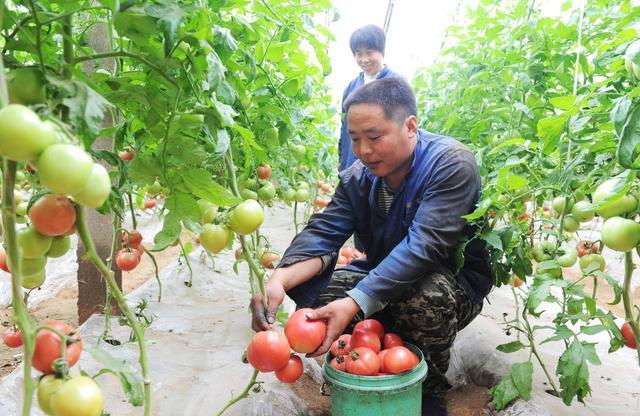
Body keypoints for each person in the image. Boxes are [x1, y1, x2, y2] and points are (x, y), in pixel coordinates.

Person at [251, 77, 493, 416]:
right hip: (383, 276)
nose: (364, 150)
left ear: (410, 126)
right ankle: (376, 349)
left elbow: (424, 248)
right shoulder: (357, 179)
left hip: (452, 286)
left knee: (425, 293)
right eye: (355, 139)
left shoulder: (450, 164)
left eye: (374, 137)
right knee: (313, 292)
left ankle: (428, 388)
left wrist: (353, 303)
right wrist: (279, 280)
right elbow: (324, 232)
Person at [338, 24, 402, 172]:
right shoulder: (351, 87)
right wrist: (342, 159)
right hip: (351, 163)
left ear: (382, 52)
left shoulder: (395, 84)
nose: (364, 59)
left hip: (382, 167)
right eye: (358, 54)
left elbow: (402, 131)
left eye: (369, 52)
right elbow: (344, 127)